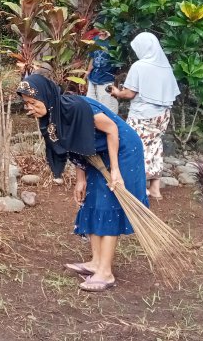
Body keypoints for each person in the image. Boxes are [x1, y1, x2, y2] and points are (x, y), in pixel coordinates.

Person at [16, 74, 148, 292]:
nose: (29, 108)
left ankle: (105, 273)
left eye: (33, 102)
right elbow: (77, 145)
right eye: (26, 103)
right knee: (92, 201)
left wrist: (115, 170)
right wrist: (81, 179)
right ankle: (96, 263)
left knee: (108, 204)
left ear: (47, 97)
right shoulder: (52, 115)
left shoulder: (76, 108)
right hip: (97, 153)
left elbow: (112, 129)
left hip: (121, 149)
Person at [110, 32, 180, 200]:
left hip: (143, 115)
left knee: (136, 146)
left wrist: (117, 93)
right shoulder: (165, 66)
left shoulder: (140, 66)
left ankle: (140, 187)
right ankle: (155, 188)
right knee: (155, 145)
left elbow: (130, 93)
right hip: (162, 115)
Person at [85, 29, 119, 114]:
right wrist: (86, 75)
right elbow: (93, 59)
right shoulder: (95, 40)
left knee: (108, 109)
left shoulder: (113, 41)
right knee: (90, 105)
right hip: (93, 78)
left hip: (107, 80)